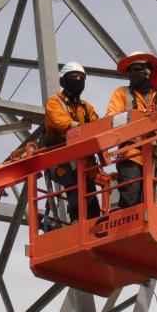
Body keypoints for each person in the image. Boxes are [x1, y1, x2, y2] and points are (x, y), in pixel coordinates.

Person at [107, 52, 157, 209]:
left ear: (148, 71)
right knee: (132, 195)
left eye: (138, 69)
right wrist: (138, 119)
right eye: (131, 70)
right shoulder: (122, 93)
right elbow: (112, 119)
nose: (134, 73)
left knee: (156, 196)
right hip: (131, 152)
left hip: (155, 155)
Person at [45, 62, 101, 224]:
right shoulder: (55, 102)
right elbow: (62, 122)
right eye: (73, 78)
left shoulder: (86, 108)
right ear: (63, 81)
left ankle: (95, 223)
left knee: (89, 194)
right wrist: (83, 128)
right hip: (61, 159)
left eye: (80, 78)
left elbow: (99, 126)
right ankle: (77, 221)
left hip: (83, 161)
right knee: (75, 185)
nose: (77, 80)